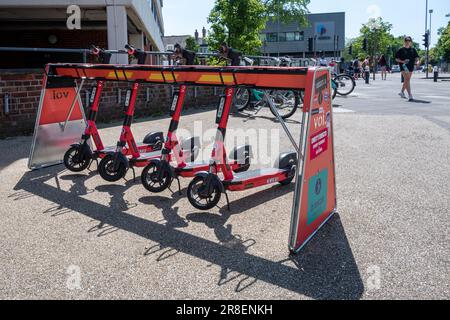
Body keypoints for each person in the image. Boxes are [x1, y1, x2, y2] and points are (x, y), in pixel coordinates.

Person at [395, 36, 420, 101]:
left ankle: (402, 92)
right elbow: (397, 59)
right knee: (407, 79)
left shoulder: (413, 49)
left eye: (409, 41)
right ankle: (410, 95)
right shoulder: (401, 49)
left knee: (407, 80)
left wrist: (417, 62)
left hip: (411, 66)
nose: (407, 42)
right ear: (404, 41)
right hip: (404, 66)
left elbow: (417, 58)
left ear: (411, 42)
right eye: (406, 40)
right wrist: (403, 61)